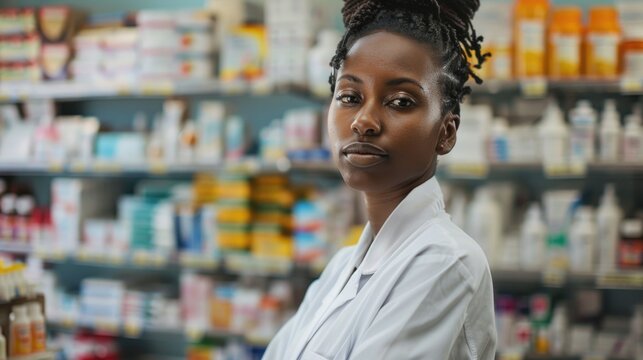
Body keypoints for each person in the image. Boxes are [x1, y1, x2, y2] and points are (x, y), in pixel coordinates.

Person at [264, 0, 496, 359]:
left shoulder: (444, 263)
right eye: (350, 97)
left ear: (446, 132)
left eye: (401, 101)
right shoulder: (340, 268)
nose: (364, 121)